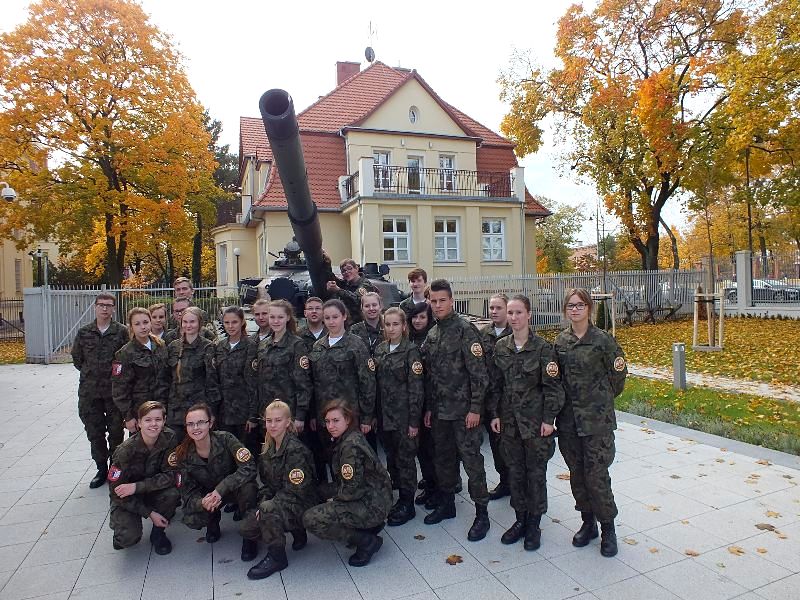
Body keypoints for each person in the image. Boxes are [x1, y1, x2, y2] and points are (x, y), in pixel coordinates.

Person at [554, 288, 627, 558]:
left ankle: (608, 527)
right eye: (571, 306)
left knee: (597, 477)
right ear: (565, 310)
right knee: (578, 475)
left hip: (597, 423)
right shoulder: (560, 342)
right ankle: (588, 522)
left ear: (589, 309)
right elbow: (555, 380)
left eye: (580, 305)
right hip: (570, 422)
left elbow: (618, 374)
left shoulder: (603, 340)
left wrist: (602, 398)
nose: (575, 310)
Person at [490, 294, 564, 551]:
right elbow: (495, 385)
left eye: (519, 312)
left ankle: (534, 524)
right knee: (516, 474)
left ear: (529, 314)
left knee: (536, 476)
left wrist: (548, 419)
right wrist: (495, 414)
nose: (514, 318)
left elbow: (554, 388)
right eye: (510, 313)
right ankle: (519, 520)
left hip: (535, 427)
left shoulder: (544, 349)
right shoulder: (501, 347)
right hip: (509, 425)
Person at [421, 279, 491, 541]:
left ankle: (481, 513)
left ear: (451, 300)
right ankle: (447, 504)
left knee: (473, 462)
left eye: (442, 300)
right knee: (444, 460)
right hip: (440, 413)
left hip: (464, 414)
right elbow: (429, 377)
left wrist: (475, 409)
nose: (437, 305)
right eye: (433, 301)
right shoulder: (433, 333)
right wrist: (429, 408)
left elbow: (479, 375)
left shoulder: (465, 330)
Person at [303, 399, 392, 567]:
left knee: (311, 518)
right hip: (374, 496)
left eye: (336, 421)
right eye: (328, 421)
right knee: (318, 492)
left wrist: (334, 500)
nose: (330, 426)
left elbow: (352, 490)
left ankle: (366, 541)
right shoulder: (349, 437)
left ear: (348, 420)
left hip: (372, 503)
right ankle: (367, 528)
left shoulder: (350, 446)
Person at [239, 400, 318, 579]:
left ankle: (277, 557)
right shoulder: (267, 449)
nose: (272, 425)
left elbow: (296, 490)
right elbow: (268, 485)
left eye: (278, 420)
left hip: (303, 501)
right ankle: (297, 532)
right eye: (269, 421)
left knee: (268, 509)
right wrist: (262, 504)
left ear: (288, 422)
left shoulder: (295, 450)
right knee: (246, 528)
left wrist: (267, 506)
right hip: (283, 500)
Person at [172, 403, 257, 554]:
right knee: (192, 516)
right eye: (190, 424)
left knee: (249, 488)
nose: (196, 428)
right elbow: (186, 492)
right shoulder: (183, 454)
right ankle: (212, 521)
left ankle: (250, 535)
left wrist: (220, 489)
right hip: (209, 496)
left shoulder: (226, 439)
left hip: (232, 489)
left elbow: (249, 467)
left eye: (200, 422)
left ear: (210, 423)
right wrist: (202, 502)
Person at [71, 292, 129, 488]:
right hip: (90, 394)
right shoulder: (84, 332)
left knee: (115, 434)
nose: (105, 308)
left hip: (114, 394)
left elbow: (126, 359)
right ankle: (101, 469)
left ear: (113, 308)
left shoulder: (122, 332)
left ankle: (115, 468)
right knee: (94, 433)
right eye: (101, 305)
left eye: (109, 305)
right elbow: (77, 360)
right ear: (95, 307)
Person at [108, 401, 179, 554]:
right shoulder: (124, 451)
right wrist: (149, 513)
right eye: (148, 420)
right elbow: (115, 492)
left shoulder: (170, 438)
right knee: (128, 538)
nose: (153, 424)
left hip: (149, 490)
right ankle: (122, 530)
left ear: (164, 420)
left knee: (172, 493)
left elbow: (172, 475)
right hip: (127, 497)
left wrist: (137, 487)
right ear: (139, 423)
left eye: (158, 419)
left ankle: (158, 533)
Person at [373, 308, 423, 526]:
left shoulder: (411, 351)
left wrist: (414, 422)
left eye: (395, 324)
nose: (391, 328)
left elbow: (416, 389)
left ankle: (407, 503)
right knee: (392, 458)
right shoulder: (380, 349)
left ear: (404, 326)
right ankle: (399, 500)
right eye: (387, 324)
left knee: (406, 461)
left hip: (403, 419)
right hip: (385, 417)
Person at [308, 299, 375, 441]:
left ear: (344, 316)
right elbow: (313, 383)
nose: (331, 322)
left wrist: (366, 417)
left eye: (335, 317)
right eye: (327, 318)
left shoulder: (356, 344)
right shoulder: (318, 346)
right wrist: (314, 414)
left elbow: (367, 383)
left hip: (349, 415)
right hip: (325, 416)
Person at [251, 300, 312, 435]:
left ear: (288, 318)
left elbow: (303, 383)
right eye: (272, 317)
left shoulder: (297, 345)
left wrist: (300, 416)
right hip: (266, 413)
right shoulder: (263, 345)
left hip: (288, 413)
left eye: (280, 317)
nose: (276, 321)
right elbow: (258, 382)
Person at [164, 307, 220, 442]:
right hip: (176, 409)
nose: (188, 325)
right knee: (175, 448)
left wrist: (211, 411)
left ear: (199, 323)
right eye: (185, 322)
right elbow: (165, 379)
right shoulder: (173, 347)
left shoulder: (208, 347)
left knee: (199, 446)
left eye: (192, 322)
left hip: (199, 408)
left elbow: (212, 382)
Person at [112, 307, 169, 434]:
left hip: (163, 408)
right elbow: (119, 389)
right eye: (137, 324)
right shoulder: (124, 353)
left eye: (145, 322)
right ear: (131, 327)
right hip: (141, 412)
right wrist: (128, 417)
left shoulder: (161, 346)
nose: (142, 327)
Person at [480, 293, 513, 501]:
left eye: (498, 308)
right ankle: (505, 482)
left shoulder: (516, 331)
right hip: (491, 400)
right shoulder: (484, 334)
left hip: (512, 400)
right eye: (491, 308)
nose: (494, 311)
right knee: (496, 445)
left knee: (513, 446)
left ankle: (519, 484)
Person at [407, 301, 438, 508]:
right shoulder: (408, 339)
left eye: (422, 317)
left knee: (433, 449)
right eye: (415, 317)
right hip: (412, 404)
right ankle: (429, 483)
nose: (418, 321)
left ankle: (438, 488)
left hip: (430, 402)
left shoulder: (433, 339)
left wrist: (429, 407)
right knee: (421, 449)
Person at [214, 306, 257, 443]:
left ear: (242, 322)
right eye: (227, 322)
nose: (230, 326)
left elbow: (254, 383)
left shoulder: (251, 346)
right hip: (224, 412)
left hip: (244, 413)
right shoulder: (220, 347)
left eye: (234, 322)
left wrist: (253, 416)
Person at [325, 258, 378, 324]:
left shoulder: (365, 284)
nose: (347, 272)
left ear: (356, 268)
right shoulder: (346, 283)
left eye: (349, 269)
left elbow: (356, 299)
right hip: (347, 322)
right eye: (343, 271)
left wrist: (338, 290)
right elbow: (331, 277)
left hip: (361, 323)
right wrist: (327, 263)